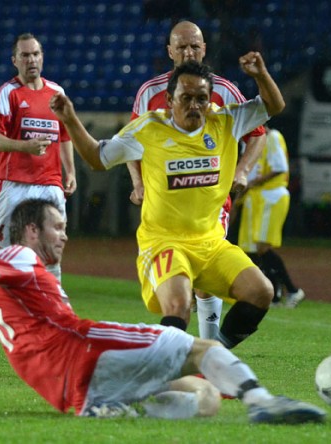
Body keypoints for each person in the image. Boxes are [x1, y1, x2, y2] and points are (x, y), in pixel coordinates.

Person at [0, 198, 325, 423]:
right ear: (33, 231)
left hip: (68, 389)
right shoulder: (20, 254)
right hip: (84, 351)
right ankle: (262, 402)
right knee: (207, 349)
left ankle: (115, 410)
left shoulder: (20, 287)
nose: (64, 235)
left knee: (206, 399)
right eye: (58, 227)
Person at [51, 56, 283, 351]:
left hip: (210, 243)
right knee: (179, 304)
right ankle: (166, 367)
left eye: (201, 98)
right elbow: (97, 158)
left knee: (261, 291)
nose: (194, 105)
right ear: (170, 100)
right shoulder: (148, 129)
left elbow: (274, 106)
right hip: (164, 243)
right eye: (186, 98)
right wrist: (70, 119)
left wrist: (261, 74)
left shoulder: (225, 121)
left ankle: (214, 354)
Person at [129, 21, 267, 340]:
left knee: (205, 280)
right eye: (182, 47)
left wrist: (242, 170)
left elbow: (259, 134)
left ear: (204, 49)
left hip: (210, 201)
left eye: (195, 46)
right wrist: (138, 182)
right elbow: (132, 143)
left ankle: (209, 345)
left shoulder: (225, 90)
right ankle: (189, 350)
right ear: (170, 51)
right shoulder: (150, 92)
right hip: (164, 204)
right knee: (178, 288)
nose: (189, 52)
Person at [0, 32, 77, 339]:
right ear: (15, 60)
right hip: (14, 183)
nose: (31, 60)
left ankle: (55, 314)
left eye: (35, 54)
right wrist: (24, 146)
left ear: (42, 57)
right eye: (25, 55)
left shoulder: (56, 92)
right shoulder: (7, 94)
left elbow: (65, 134)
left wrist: (70, 171)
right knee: (7, 250)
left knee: (53, 248)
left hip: (49, 183)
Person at [236, 124, 305, 308]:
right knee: (251, 249)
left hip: (271, 196)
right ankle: (274, 294)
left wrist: (253, 183)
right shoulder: (247, 141)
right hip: (255, 198)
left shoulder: (272, 137)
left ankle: (292, 290)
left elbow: (280, 167)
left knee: (262, 247)